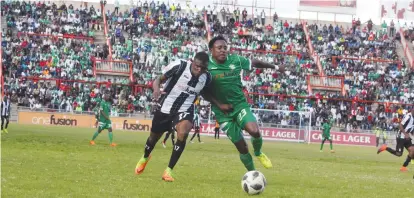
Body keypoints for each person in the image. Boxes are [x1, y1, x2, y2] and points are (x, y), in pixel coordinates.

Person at [202, 35, 285, 171]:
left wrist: (275, 66)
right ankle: (253, 175)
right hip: (222, 113)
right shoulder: (206, 67)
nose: (223, 50)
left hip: (239, 105)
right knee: (242, 147)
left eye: (225, 48)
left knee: (254, 131)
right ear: (211, 50)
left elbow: (255, 63)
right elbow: (203, 91)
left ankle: (258, 152)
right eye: (219, 48)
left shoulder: (235, 60)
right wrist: (219, 105)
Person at [134, 52, 211, 182]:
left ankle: (168, 171)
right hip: (165, 107)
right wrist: (156, 89)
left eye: (203, 68)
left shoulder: (207, 78)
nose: (200, 70)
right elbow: (158, 79)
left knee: (183, 132)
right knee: (153, 139)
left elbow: (208, 93)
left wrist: (220, 104)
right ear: (193, 62)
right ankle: (146, 157)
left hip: (185, 108)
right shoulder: (179, 66)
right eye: (198, 66)